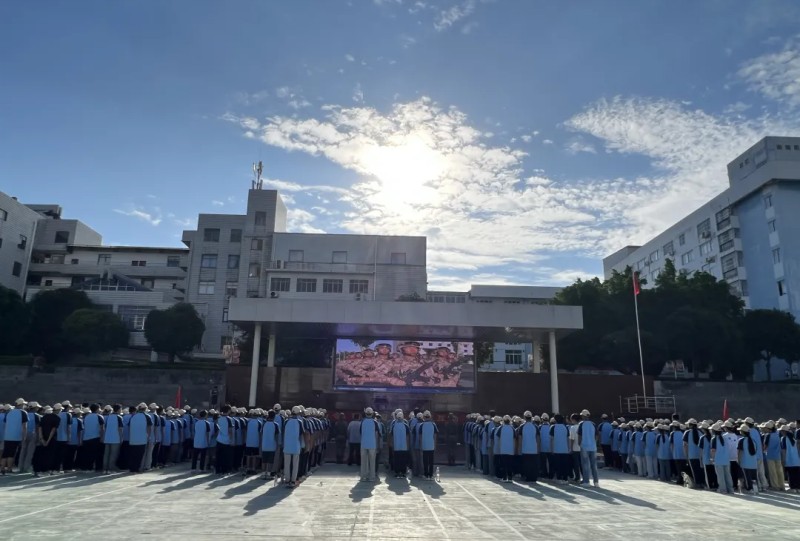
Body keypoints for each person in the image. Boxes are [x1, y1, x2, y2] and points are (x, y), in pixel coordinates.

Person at [1, 399, 27, 475]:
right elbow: (24, 426)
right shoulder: (23, 412)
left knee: (5, 453)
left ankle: (2, 468)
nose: (24, 405)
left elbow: (6, 424)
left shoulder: (8, 412)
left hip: (7, 436)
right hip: (16, 436)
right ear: (21, 405)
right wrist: (24, 437)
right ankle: (9, 468)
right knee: (12, 453)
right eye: (23, 404)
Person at [33, 405, 60, 476]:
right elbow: (53, 430)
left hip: (43, 438)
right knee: (50, 455)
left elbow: (40, 428)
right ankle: (46, 470)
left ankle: (40, 470)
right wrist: (48, 441)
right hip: (51, 439)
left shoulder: (43, 417)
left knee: (42, 454)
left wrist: (42, 439)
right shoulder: (57, 418)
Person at [283, 406, 305, 487]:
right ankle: (293, 480)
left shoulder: (286, 421)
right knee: (295, 464)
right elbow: (301, 434)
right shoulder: (300, 422)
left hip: (287, 445)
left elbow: (284, 433)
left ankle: (287, 479)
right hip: (296, 445)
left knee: (287, 464)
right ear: (299, 413)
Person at [710, 422, 734, 494]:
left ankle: (723, 489)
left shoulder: (714, 439)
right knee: (728, 475)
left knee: (720, 476)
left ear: (714, 431)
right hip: (726, 459)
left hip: (718, 459)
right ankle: (730, 489)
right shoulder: (724, 438)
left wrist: (712, 459)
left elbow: (713, 450)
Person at [127, 403, 152, 473]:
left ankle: (132, 469)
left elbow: (129, 427)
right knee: (139, 455)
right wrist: (148, 436)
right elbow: (149, 428)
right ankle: (136, 469)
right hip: (142, 439)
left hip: (133, 439)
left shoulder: (133, 416)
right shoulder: (147, 416)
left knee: (132, 455)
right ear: (145, 409)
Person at [578, 409, 599, 487]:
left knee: (585, 464)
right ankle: (596, 482)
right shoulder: (593, 424)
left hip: (584, 446)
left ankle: (586, 481)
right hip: (593, 447)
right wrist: (594, 442)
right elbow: (597, 435)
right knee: (594, 465)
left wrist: (580, 444)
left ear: (583, 416)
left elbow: (579, 436)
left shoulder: (581, 424)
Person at [762, 421, 784, 491]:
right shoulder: (778, 434)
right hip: (778, 455)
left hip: (770, 455)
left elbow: (765, 446)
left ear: (768, 428)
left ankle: (775, 486)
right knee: (779, 471)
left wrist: (763, 450)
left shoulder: (768, 435)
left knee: (772, 472)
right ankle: (782, 485)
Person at [737, 423, 759, 495]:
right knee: (754, 478)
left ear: (743, 432)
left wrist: (739, 461)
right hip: (753, 463)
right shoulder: (753, 441)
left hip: (745, 463)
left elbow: (739, 452)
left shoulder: (741, 440)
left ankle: (749, 489)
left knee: (747, 478)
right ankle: (755, 489)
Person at [360, 407, 380, 482]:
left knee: (363, 461)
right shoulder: (375, 422)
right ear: (372, 414)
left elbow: (361, 433)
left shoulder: (363, 422)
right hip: (372, 444)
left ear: (365, 414)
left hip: (364, 444)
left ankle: (363, 477)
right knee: (372, 462)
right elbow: (377, 434)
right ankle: (372, 477)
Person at [259, 410, 281, 480]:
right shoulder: (276, 425)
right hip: (272, 445)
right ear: (274, 417)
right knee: (270, 461)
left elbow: (261, 434)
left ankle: (263, 474)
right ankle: (268, 474)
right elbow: (277, 436)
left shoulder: (264, 424)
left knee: (264, 460)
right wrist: (277, 444)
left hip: (264, 445)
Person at [102, 405, 123, 474]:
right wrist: (121, 438)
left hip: (107, 438)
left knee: (106, 454)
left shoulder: (108, 417)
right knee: (113, 454)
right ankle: (111, 469)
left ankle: (105, 469)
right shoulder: (119, 417)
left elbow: (105, 427)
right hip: (115, 438)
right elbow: (120, 429)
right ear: (119, 409)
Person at [418, 411, 439, 481]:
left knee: (425, 461)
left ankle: (426, 474)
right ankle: (430, 475)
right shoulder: (433, 425)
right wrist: (435, 445)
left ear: (424, 417)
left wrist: (420, 445)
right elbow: (435, 436)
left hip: (424, 446)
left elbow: (420, 437)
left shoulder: (421, 425)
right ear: (430, 417)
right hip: (431, 446)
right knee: (431, 461)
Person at [550, 414, 571, 484]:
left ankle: (558, 478)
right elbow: (568, 439)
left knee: (557, 465)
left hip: (556, 449)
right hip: (564, 449)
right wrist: (569, 448)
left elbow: (552, 439)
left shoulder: (553, 427)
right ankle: (565, 479)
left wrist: (552, 449)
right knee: (564, 465)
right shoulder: (565, 427)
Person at [519, 411, 540, 483]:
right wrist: (538, 448)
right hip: (534, 449)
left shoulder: (522, 427)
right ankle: (534, 478)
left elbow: (520, 439)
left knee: (526, 465)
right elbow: (538, 439)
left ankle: (527, 477)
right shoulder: (535, 427)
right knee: (534, 465)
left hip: (525, 449)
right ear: (531, 417)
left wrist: (519, 449)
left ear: (524, 417)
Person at [779, 423, 800, 492]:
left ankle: (792, 488)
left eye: (781, 431)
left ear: (784, 431)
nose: (781, 432)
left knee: (790, 475)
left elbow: (784, 450)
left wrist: (783, 460)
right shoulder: (793, 438)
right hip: (796, 460)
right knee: (796, 475)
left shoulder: (784, 438)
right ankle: (797, 488)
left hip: (789, 460)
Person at [390, 412, 410, 478]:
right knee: (403, 460)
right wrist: (408, 446)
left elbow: (392, 436)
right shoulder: (406, 426)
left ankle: (397, 473)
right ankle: (403, 473)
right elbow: (407, 437)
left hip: (396, 446)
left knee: (397, 460)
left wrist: (392, 445)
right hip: (404, 447)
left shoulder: (394, 426)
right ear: (403, 417)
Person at [215, 405, 235, 475]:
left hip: (219, 439)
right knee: (226, 456)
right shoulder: (229, 419)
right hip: (226, 440)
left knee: (218, 456)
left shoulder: (219, 418)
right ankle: (225, 470)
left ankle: (217, 470)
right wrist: (231, 440)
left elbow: (217, 429)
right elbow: (230, 430)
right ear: (228, 411)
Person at [497, 415, 515, 483]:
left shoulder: (501, 428)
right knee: (510, 464)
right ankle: (510, 478)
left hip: (503, 449)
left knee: (503, 464)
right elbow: (514, 438)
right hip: (510, 449)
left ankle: (504, 478)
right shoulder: (512, 428)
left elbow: (498, 437)